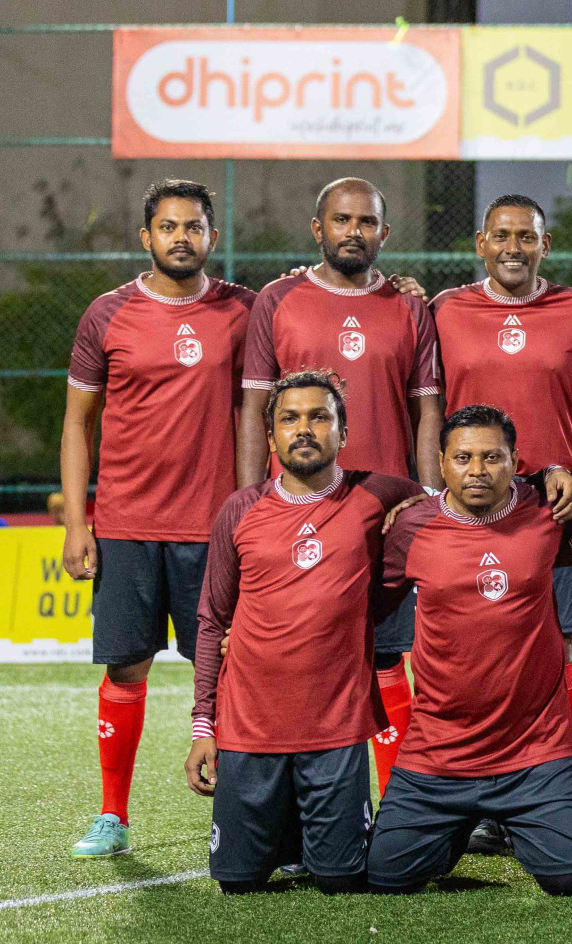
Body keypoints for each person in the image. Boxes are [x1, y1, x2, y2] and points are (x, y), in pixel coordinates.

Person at [60, 179, 255, 858]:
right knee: (126, 667)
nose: (182, 237)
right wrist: (78, 524)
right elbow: (78, 423)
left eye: (194, 226)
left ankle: (242, 814)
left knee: (235, 671)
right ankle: (113, 815)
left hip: (217, 529)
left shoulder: (244, 311)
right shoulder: (106, 315)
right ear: (147, 238)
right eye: (168, 227)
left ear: (211, 235)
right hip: (126, 525)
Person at [237, 177, 443, 794]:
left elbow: (427, 411)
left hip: (388, 514)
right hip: (299, 512)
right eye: (341, 220)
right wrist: (253, 500)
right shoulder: (277, 299)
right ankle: (294, 809)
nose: (354, 231)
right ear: (317, 228)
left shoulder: (410, 306)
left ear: (384, 231)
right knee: (298, 659)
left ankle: (400, 801)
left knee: (386, 656)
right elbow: (253, 410)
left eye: (366, 222)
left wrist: (429, 504)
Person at [186, 370, 422, 894]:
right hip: (248, 730)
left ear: (344, 431)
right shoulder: (240, 509)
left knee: (341, 880)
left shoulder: (378, 494)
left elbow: (445, 506)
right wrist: (204, 727)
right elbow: (211, 621)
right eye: (289, 419)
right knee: (237, 883)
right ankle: (281, 834)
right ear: (270, 436)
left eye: (320, 417)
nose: (304, 429)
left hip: (334, 732)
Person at [367, 406, 572, 897]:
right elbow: (363, 608)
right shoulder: (412, 527)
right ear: (441, 462)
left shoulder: (549, 510)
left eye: (492, 457)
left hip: (535, 752)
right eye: (464, 458)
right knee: (387, 878)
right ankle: (450, 829)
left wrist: (562, 475)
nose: (477, 470)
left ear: (516, 461)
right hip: (438, 754)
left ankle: (525, 821)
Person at [431, 194, 572, 757]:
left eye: (526, 237)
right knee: (472, 649)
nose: (514, 248)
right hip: (469, 503)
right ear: (481, 245)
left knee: (555, 652)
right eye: (502, 236)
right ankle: (479, 790)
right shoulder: (443, 310)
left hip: (552, 504)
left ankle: (558, 787)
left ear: (545, 245)